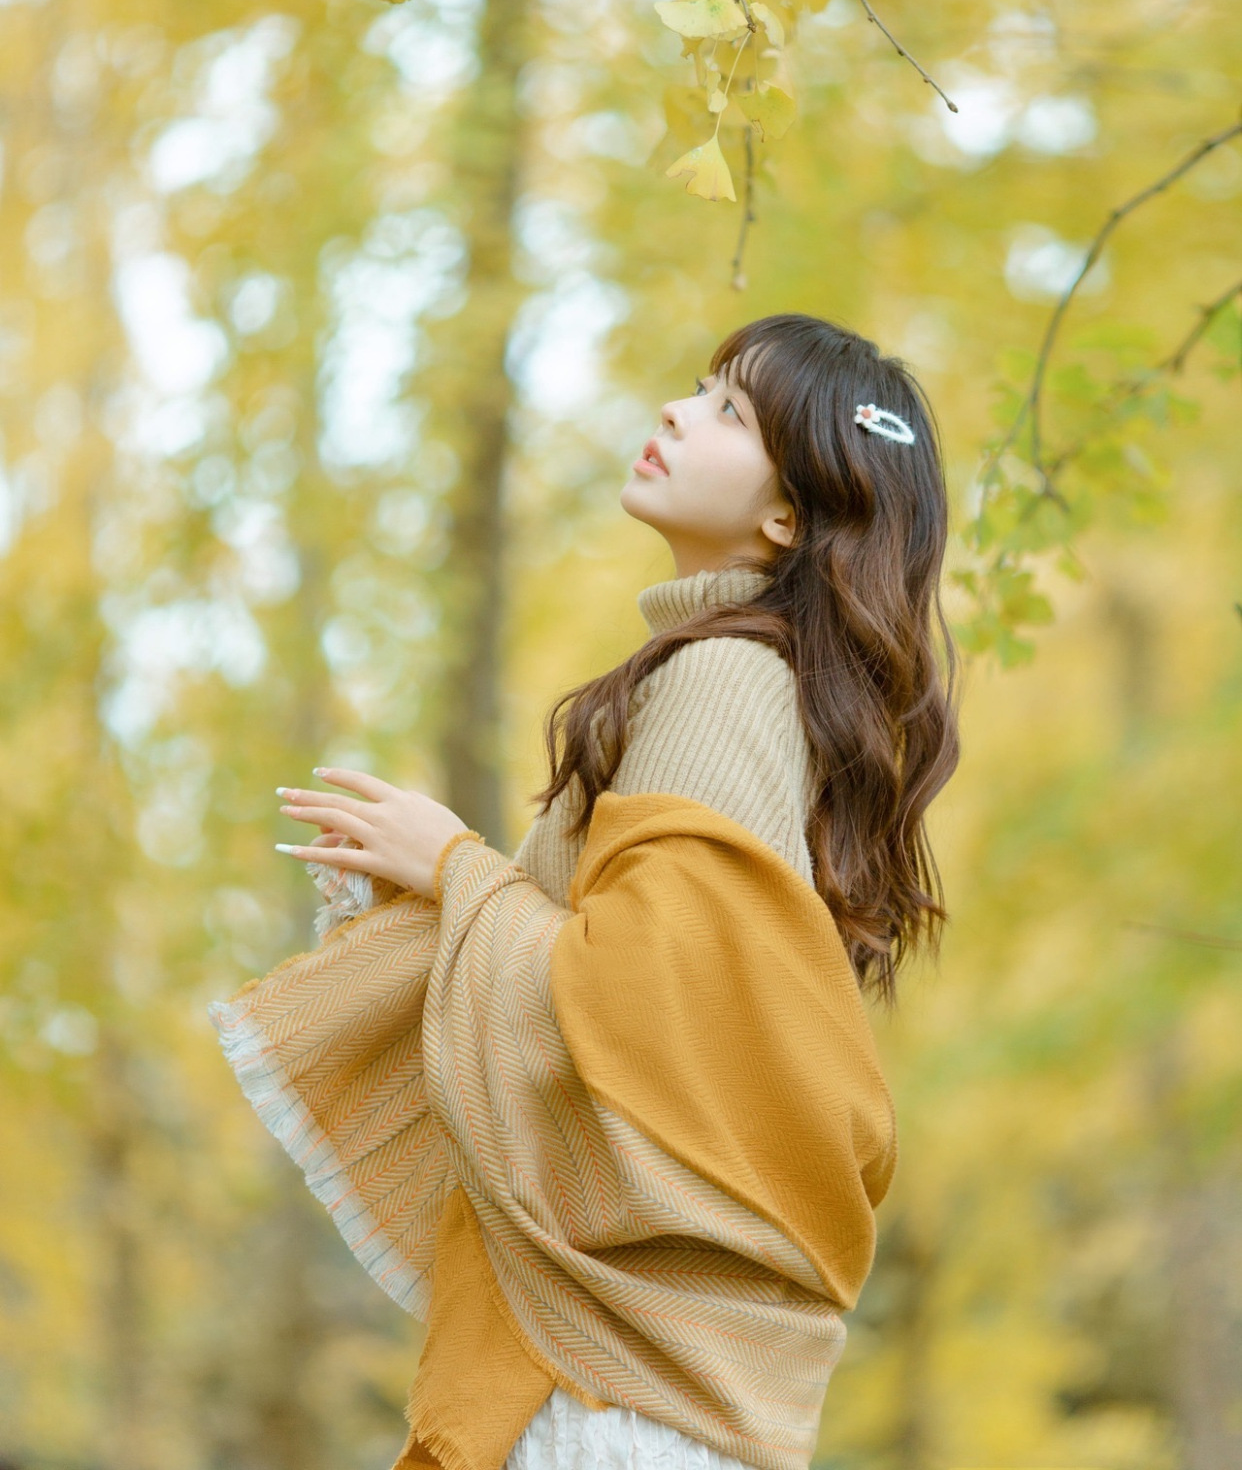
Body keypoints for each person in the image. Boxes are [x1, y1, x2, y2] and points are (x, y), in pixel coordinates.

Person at [212, 312, 961, 1470]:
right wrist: (429, 897)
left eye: (729, 412)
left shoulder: (722, 681)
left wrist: (453, 866)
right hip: (637, 1395)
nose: (676, 410)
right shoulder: (754, 689)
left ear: (786, 516)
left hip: (613, 1407)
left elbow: (638, 1015)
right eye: (698, 386)